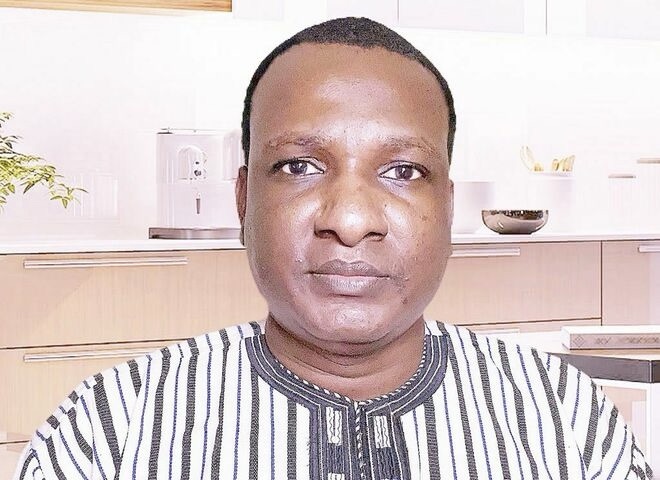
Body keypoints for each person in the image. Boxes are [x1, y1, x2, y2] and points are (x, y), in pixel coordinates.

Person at [14, 17, 651, 480]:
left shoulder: (565, 419)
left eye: (403, 171)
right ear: (243, 202)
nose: (349, 220)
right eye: (299, 167)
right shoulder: (110, 434)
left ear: (449, 209)